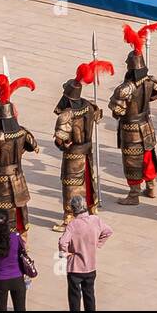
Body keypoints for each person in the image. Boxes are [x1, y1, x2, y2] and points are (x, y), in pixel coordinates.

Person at [109, 23, 157, 205]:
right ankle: (151, 188)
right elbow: (155, 96)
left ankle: (133, 195)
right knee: (148, 157)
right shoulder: (151, 81)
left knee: (132, 160)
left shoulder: (124, 89)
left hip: (131, 128)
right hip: (146, 126)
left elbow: (118, 111)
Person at [53, 61, 110, 231]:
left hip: (73, 155)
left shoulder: (66, 115)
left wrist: (62, 144)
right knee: (87, 181)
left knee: (71, 184)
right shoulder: (89, 106)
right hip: (87, 152)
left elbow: (60, 139)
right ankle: (92, 209)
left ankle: (69, 218)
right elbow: (98, 116)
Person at [0, 72, 39, 233]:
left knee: (3, 213)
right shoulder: (22, 132)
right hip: (19, 176)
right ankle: (23, 243)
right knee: (20, 210)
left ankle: (5, 242)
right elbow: (33, 146)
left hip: (2, 182)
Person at [57, 196, 112, 311]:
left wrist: (66, 252)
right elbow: (108, 232)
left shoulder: (72, 225)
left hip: (75, 268)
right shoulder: (95, 220)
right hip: (90, 267)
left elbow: (63, 242)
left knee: (74, 297)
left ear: (72, 209)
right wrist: (97, 244)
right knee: (89, 295)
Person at [0, 210, 29, 311]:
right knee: (21, 308)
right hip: (17, 278)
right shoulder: (16, 238)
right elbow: (23, 253)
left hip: (0, 280)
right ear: (7, 222)